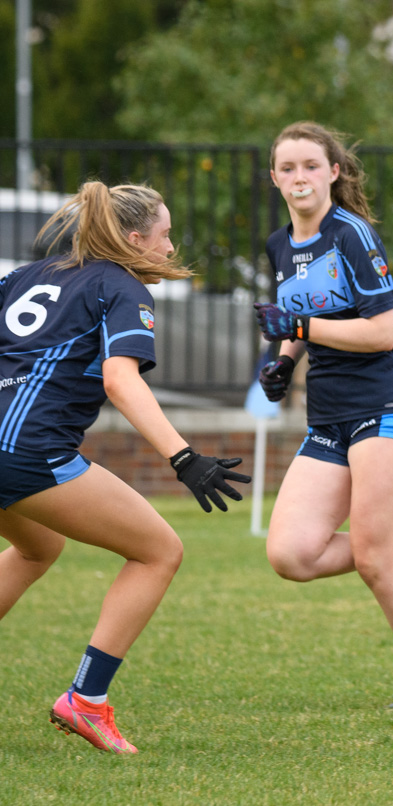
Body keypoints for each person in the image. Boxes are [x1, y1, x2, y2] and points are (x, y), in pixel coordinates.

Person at [0, 182, 251, 753]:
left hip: (10, 448)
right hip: (26, 452)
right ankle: (85, 703)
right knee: (159, 551)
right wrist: (183, 458)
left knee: (39, 548)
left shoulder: (27, 277)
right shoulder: (122, 285)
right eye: (164, 235)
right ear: (134, 239)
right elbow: (120, 378)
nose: (169, 247)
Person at [252, 121, 393, 708]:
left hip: (385, 402)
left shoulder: (351, 234)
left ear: (333, 173)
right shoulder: (279, 244)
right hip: (330, 413)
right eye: (287, 168)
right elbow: (300, 316)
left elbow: (379, 331)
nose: (299, 178)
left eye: (310, 166)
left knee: (371, 556)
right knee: (290, 554)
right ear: (274, 178)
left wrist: (297, 331)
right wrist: (285, 361)